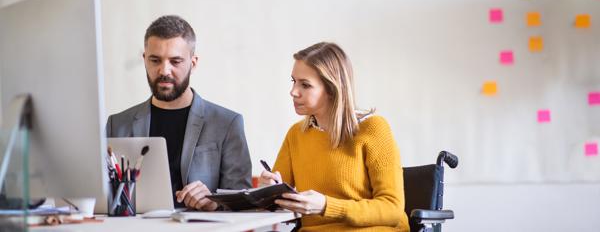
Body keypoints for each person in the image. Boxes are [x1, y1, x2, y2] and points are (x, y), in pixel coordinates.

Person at [106, 15, 252, 211]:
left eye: (175, 61)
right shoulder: (117, 124)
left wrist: (213, 203)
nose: (164, 71)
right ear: (144, 60)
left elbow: (243, 202)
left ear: (193, 63)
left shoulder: (227, 123)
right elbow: (103, 194)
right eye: (155, 60)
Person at [259, 42, 409, 231]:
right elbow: (278, 201)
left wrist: (326, 206)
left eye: (305, 85)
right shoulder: (296, 134)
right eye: (293, 81)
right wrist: (268, 191)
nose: (293, 92)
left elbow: (392, 209)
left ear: (331, 88)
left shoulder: (374, 128)